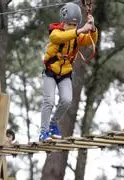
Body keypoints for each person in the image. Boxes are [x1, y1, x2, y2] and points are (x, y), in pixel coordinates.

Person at [39, 2, 98, 141]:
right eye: (69, 24)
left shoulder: (77, 36)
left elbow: (90, 40)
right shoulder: (56, 32)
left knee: (66, 100)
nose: (72, 27)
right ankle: (44, 131)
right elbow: (57, 38)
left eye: (74, 25)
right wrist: (79, 30)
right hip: (50, 72)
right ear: (63, 22)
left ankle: (53, 123)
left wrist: (93, 28)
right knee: (49, 100)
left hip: (65, 73)